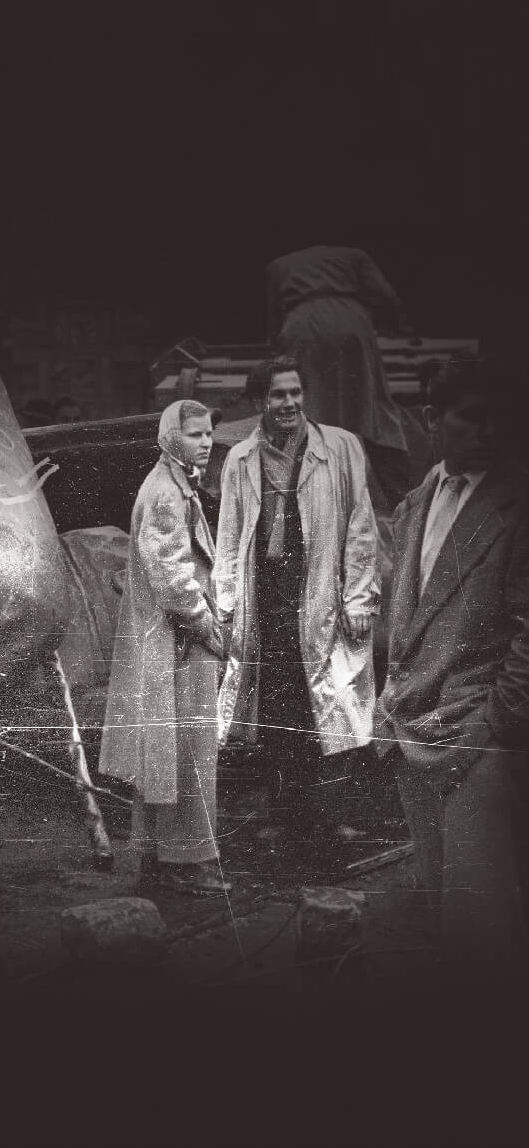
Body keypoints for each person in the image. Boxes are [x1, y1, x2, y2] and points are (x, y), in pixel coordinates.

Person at [374, 358, 529, 979]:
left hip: (476, 727)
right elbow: (406, 610)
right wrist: (390, 695)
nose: (487, 431)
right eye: (472, 418)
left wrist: (497, 720)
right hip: (414, 721)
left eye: (499, 418)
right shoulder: (416, 502)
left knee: (481, 923)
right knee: (440, 900)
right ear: (434, 421)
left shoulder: (518, 500)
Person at [214, 355, 380, 867]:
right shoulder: (241, 458)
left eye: (294, 393)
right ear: (259, 400)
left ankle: (329, 820)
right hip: (267, 597)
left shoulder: (340, 447)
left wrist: (359, 596)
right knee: (276, 709)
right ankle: (283, 818)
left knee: (330, 710)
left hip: (322, 594)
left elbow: (360, 526)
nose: (288, 404)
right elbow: (227, 536)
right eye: (276, 395)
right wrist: (225, 606)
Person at [98, 400, 229, 894]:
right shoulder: (165, 494)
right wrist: (208, 626)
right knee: (185, 757)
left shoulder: (176, 486)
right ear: (170, 436)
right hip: (177, 645)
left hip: (173, 644)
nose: (206, 441)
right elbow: (173, 579)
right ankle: (184, 863)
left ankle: (163, 859)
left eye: (208, 433)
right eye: (194, 434)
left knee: (169, 758)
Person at [266, 245, 430, 510]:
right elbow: (384, 294)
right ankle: (402, 499)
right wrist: (402, 326)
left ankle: (306, 500)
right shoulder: (354, 256)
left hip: (302, 325)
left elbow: (274, 315)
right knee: (372, 408)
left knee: (307, 407)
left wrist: (276, 345)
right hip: (350, 320)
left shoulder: (279, 263)